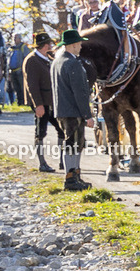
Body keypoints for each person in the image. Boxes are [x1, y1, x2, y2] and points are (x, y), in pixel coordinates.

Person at [51, 29, 95, 192]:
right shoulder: (73, 63)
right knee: (74, 144)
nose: (81, 46)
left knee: (73, 143)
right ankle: (71, 179)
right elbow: (79, 91)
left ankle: (75, 176)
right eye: (79, 43)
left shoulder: (57, 61)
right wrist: (87, 115)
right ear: (73, 44)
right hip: (73, 111)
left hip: (62, 109)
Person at [24, 32, 63, 172]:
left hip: (52, 102)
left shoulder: (47, 58)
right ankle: (42, 163)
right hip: (42, 102)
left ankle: (62, 161)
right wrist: (38, 105)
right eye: (50, 44)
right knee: (41, 132)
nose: (52, 46)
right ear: (45, 46)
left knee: (61, 130)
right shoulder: (32, 60)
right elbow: (32, 85)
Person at [8, 34, 31, 105]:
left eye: (16, 38)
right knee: (15, 88)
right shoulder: (11, 48)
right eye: (13, 38)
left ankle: (25, 102)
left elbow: (28, 59)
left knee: (22, 87)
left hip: (20, 71)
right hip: (12, 72)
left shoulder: (24, 47)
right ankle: (19, 102)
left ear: (20, 39)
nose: (14, 40)